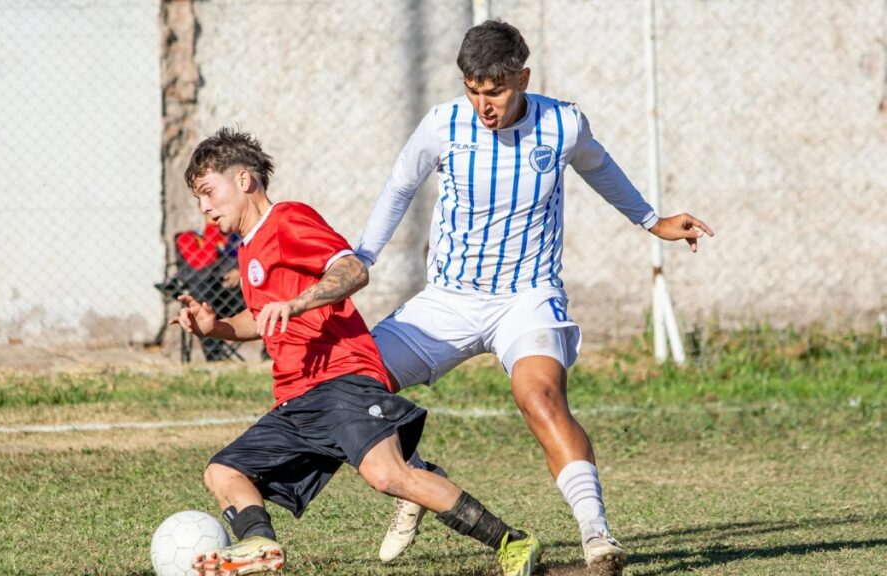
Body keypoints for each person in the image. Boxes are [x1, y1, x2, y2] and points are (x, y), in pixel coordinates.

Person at [354, 20, 715, 575]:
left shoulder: (562, 124)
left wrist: (652, 221)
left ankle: (597, 539)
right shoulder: (442, 126)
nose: (483, 105)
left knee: (540, 397)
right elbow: (399, 187)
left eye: (495, 90)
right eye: (472, 90)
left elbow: (600, 169)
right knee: (351, 384)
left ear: (522, 77)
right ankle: (419, 480)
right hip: (447, 299)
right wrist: (365, 258)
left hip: (527, 296)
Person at [171, 127, 544, 576]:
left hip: (340, 378)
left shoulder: (287, 220)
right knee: (224, 472)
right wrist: (218, 329)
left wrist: (298, 302)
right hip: (296, 398)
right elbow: (264, 316)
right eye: (198, 199)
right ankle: (259, 546)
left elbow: (351, 269)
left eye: (208, 193)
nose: (204, 207)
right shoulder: (249, 248)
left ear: (245, 180)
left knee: (389, 476)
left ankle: (513, 542)